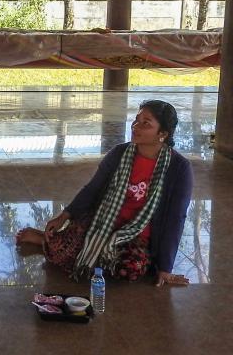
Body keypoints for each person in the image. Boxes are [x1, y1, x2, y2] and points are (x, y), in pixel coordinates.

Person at [16, 100, 194, 287]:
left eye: (145, 123)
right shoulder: (120, 153)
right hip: (102, 223)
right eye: (136, 120)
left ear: (163, 134)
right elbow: (92, 189)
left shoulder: (179, 168)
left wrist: (165, 268)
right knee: (62, 250)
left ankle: (89, 253)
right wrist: (64, 215)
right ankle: (46, 241)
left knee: (130, 269)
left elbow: (176, 217)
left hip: (137, 235)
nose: (135, 126)